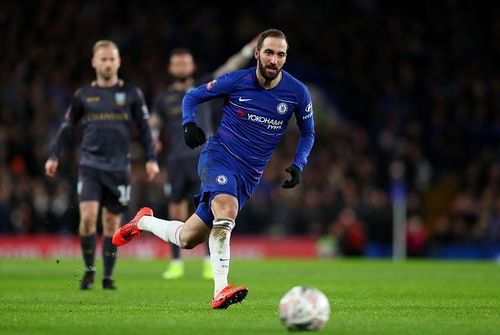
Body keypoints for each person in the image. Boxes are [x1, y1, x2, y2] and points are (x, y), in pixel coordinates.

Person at [113, 29, 315, 309]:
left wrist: (298, 164)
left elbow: (308, 133)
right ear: (258, 54)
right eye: (269, 52)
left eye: (281, 54)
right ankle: (221, 290)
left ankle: (143, 222)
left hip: (249, 176)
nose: (274, 60)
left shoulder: (296, 92)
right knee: (227, 210)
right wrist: (188, 123)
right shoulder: (237, 80)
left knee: (187, 238)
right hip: (219, 156)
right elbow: (192, 96)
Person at [45, 40, 159, 290]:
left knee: (110, 224)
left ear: (118, 62)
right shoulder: (83, 95)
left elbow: (145, 128)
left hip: (119, 168)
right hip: (90, 165)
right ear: (94, 62)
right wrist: (54, 155)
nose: (107, 63)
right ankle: (89, 270)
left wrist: (151, 159)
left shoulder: (131, 93)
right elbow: (67, 127)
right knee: (87, 219)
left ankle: (107, 276)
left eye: (112, 59)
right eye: (103, 59)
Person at [150, 39, 257, 280]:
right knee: (176, 209)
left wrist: (249, 49)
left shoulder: (205, 86)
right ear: (170, 68)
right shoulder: (163, 98)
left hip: (205, 158)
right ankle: (176, 263)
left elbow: (230, 67)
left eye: (184, 63)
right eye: (177, 64)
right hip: (176, 160)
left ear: (192, 66)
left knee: (212, 208)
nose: (181, 67)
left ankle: (209, 261)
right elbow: (153, 125)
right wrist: (152, 140)